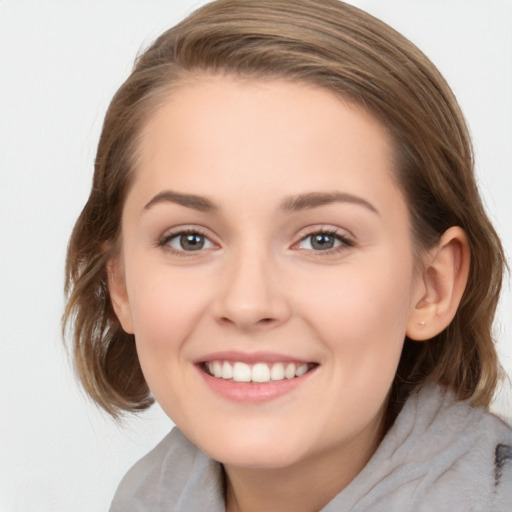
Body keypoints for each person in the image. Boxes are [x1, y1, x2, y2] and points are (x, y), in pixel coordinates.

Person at [62, 0, 512, 510]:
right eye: (189, 239)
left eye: (323, 239)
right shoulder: (145, 497)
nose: (249, 303)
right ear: (119, 284)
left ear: (432, 286)